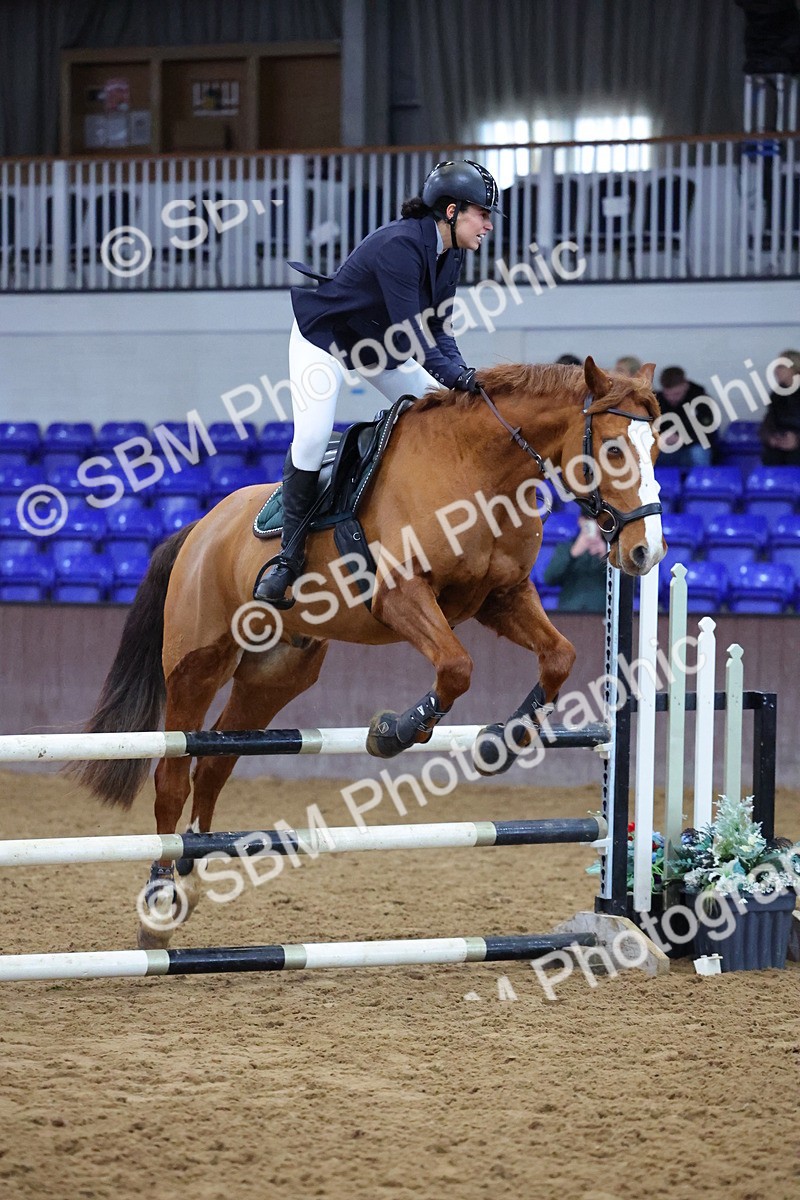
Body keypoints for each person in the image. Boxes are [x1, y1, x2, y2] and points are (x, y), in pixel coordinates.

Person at [254, 159, 501, 606]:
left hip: (376, 347)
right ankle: (287, 561)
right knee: (311, 438)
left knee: (444, 410)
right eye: (482, 214)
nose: (488, 224)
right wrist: (458, 378)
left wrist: (463, 379)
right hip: (326, 340)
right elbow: (416, 335)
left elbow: (441, 330)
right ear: (451, 211)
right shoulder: (400, 246)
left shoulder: (451, 255)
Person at [543, 516, 608, 613]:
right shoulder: (565, 548)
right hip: (569, 613)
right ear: (580, 521)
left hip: (602, 614)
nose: (593, 524)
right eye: (588, 520)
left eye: (596, 520)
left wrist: (606, 557)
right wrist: (572, 554)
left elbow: (625, 587)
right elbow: (549, 578)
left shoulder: (611, 550)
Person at [655, 365, 716, 468]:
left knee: (699, 452)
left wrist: (682, 439)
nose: (672, 399)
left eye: (676, 394)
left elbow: (709, 433)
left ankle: (699, 482)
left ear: (685, 385)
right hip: (667, 450)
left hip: (693, 447)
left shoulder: (702, 401)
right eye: (667, 395)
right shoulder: (657, 401)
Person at [759, 350, 800, 465]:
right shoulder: (777, 396)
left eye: (781, 367)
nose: (776, 370)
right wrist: (771, 437)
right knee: (771, 458)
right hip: (780, 447)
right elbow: (768, 423)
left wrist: (797, 440)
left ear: (795, 369)